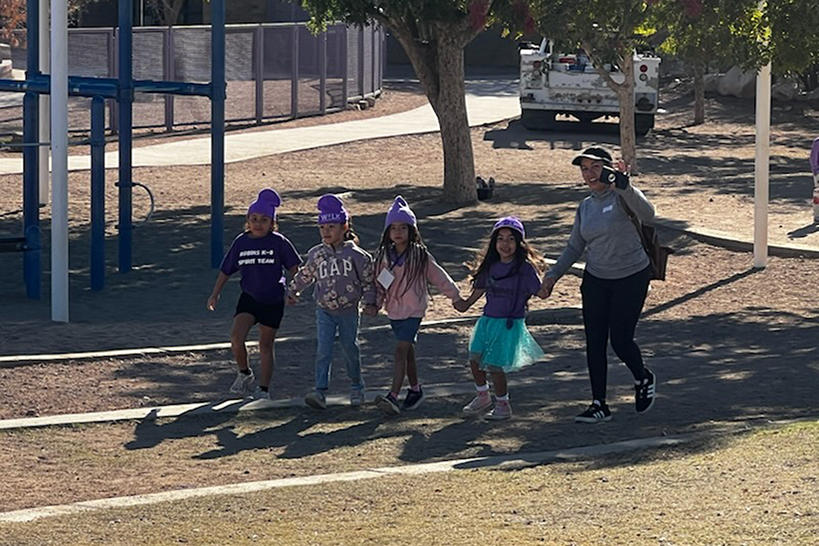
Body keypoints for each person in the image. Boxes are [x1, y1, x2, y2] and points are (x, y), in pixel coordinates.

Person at [538, 147, 657, 423]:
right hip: (596, 280)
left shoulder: (623, 195)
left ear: (608, 169)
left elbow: (649, 214)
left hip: (631, 277)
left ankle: (643, 377)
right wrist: (553, 276)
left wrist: (626, 186)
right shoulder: (586, 206)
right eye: (584, 169)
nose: (589, 174)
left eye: (595, 167)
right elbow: (574, 246)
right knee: (594, 343)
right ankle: (599, 404)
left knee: (621, 339)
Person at [372, 196, 463, 415]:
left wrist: (455, 297)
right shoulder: (384, 257)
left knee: (400, 350)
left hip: (414, 310)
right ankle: (415, 389)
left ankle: (393, 395)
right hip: (394, 312)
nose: (398, 232)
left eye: (403, 227)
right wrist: (374, 304)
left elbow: (439, 276)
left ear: (412, 230)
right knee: (408, 352)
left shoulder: (420, 256)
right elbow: (379, 284)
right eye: (393, 228)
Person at [207, 188, 301, 400]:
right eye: (254, 218)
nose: (258, 223)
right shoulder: (241, 242)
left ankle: (263, 390)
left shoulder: (279, 242)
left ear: (272, 224)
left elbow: (295, 268)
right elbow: (226, 269)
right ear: (247, 220)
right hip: (249, 298)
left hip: (273, 300)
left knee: (265, 345)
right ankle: (245, 373)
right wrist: (215, 293)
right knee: (235, 337)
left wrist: (294, 291)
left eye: (264, 219)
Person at [288, 194, 377, 410]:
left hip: (348, 311)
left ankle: (357, 386)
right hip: (324, 310)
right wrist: (292, 291)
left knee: (350, 348)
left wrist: (370, 302)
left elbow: (368, 281)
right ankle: (320, 391)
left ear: (344, 227)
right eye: (322, 227)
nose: (326, 231)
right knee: (323, 349)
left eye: (331, 226)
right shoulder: (317, 254)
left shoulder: (358, 256)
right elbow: (305, 275)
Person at [454, 217, 546, 420]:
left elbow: (540, 292)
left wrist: (550, 282)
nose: (505, 244)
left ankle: (503, 405)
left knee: (495, 366)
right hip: (487, 321)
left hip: (508, 323)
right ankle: (483, 396)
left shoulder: (524, 268)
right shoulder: (491, 267)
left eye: (511, 239)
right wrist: (465, 304)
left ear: (519, 243)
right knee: (475, 359)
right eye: (501, 239)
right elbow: (478, 290)